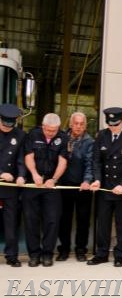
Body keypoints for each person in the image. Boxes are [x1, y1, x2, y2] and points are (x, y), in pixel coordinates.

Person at [87, 107, 122, 267]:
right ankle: (101, 254)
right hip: (104, 188)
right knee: (102, 223)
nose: (113, 127)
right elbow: (96, 160)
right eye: (110, 125)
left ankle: (119, 255)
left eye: (116, 124)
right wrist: (97, 180)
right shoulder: (101, 135)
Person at [22, 113, 69, 267]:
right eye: (48, 130)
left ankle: (47, 254)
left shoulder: (63, 138)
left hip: (51, 184)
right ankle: (34, 255)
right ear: (43, 126)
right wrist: (35, 175)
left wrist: (53, 179)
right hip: (33, 183)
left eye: (54, 131)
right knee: (31, 220)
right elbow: (28, 157)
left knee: (52, 220)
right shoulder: (32, 134)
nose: (51, 133)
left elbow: (63, 162)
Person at [57, 111, 93, 262]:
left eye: (81, 124)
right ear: (70, 124)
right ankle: (64, 250)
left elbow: (90, 164)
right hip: (64, 186)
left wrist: (87, 181)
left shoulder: (90, 141)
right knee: (64, 220)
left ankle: (80, 250)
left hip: (82, 187)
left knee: (83, 220)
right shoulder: (62, 138)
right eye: (76, 123)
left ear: (85, 126)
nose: (78, 126)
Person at [0, 104, 25, 267]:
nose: (7, 128)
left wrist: (21, 175)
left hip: (11, 188)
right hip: (2, 178)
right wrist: (1, 173)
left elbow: (21, 159)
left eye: (10, 125)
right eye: (4, 125)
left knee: (11, 223)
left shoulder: (21, 135)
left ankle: (11, 255)